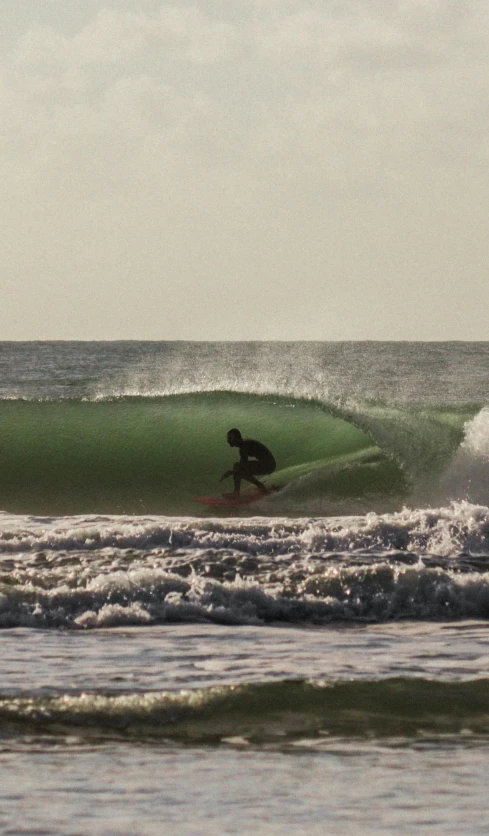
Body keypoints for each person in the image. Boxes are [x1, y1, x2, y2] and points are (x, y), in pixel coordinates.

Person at [220, 428, 276, 495]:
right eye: (228, 438)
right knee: (238, 467)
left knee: (239, 469)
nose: (228, 441)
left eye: (230, 438)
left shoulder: (244, 447)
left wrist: (230, 472)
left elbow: (242, 467)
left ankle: (238, 492)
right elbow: (242, 465)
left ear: (238, 438)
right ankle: (259, 486)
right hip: (268, 464)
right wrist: (232, 472)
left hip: (268, 465)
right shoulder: (243, 445)